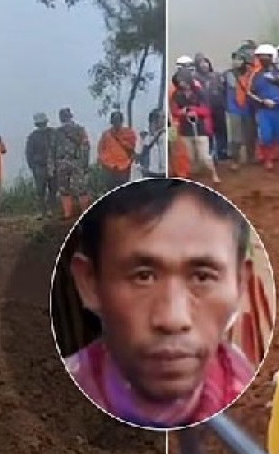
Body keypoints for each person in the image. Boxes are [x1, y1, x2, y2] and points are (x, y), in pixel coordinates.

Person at [64, 179, 256, 429]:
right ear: (90, 283)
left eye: (202, 277)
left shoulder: (254, 404)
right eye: (143, 277)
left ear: (240, 284)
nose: (173, 318)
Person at [169, 68, 221, 184]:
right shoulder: (176, 95)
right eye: (179, 81)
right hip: (185, 130)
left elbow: (206, 110)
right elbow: (174, 111)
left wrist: (193, 110)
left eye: (183, 80)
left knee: (204, 156)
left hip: (200, 128)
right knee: (190, 157)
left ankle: (214, 174)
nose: (181, 83)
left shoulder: (199, 92)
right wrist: (181, 112)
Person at [250, 44, 279, 171]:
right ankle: (268, 159)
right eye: (260, 56)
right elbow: (251, 93)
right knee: (266, 136)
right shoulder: (256, 75)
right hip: (264, 110)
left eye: (266, 56)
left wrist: (278, 101)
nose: (263, 58)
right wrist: (263, 102)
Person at [54, 107, 92, 220]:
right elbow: (86, 147)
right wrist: (85, 163)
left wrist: (84, 163)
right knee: (72, 189)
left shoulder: (73, 130)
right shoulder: (61, 132)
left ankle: (73, 213)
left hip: (69, 162)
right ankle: (73, 214)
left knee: (73, 189)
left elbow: (85, 146)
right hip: (71, 162)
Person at [195, 53, 227, 160]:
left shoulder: (217, 76)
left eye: (205, 62)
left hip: (218, 107)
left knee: (221, 130)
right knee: (207, 131)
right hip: (204, 110)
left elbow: (224, 89)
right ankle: (210, 154)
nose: (204, 65)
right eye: (201, 63)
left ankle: (222, 151)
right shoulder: (195, 78)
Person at [26, 112, 57, 219]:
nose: (42, 125)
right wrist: (33, 166)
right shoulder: (32, 136)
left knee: (53, 189)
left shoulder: (53, 133)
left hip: (52, 165)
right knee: (40, 190)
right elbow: (29, 153)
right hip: (39, 166)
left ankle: (50, 210)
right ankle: (41, 211)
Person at [97, 111, 137, 191]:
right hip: (109, 168)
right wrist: (104, 161)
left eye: (118, 120)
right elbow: (100, 149)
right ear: (111, 121)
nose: (116, 122)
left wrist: (120, 139)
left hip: (124, 167)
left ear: (121, 121)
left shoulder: (129, 133)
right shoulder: (106, 134)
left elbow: (132, 146)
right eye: (114, 120)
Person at [130, 108, 166, 179]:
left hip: (164, 174)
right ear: (154, 119)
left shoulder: (166, 134)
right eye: (163, 117)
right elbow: (137, 155)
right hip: (149, 173)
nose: (164, 120)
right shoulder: (143, 136)